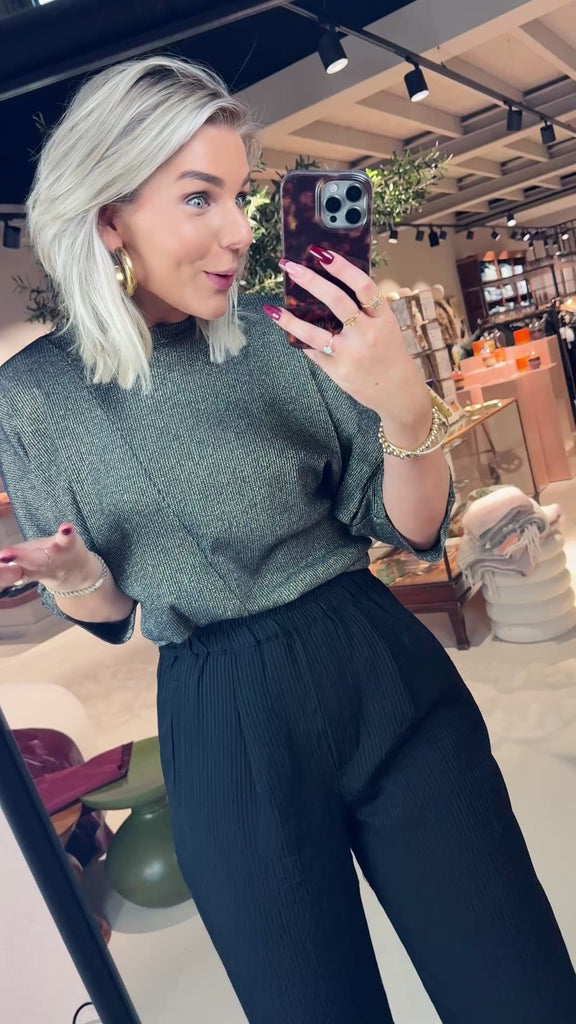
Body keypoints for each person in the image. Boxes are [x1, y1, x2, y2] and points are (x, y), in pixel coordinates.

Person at [1, 56, 575, 1024]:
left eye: (241, 196)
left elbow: (411, 527)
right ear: (108, 217)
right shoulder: (33, 400)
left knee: (521, 991)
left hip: (378, 666)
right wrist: (78, 575)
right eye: (200, 197)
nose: (240, 229)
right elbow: (112, 613)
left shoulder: (284, 334)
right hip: (222, 714)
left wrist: (405, 408)